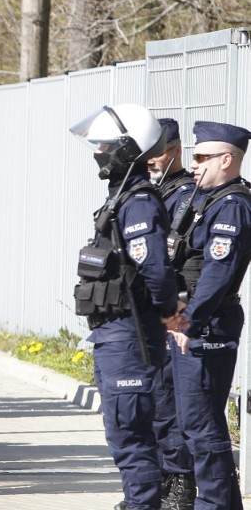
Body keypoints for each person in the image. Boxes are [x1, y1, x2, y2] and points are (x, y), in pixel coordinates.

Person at [70, 103, 181, 510]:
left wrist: (168, 310)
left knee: (131, 432)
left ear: (128, 148)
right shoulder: (120, 198)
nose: (97, 151)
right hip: (112, 332)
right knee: (123, 428)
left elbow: (152, 265)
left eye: (104, 144)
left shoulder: (137, 202)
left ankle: (143, 504)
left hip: (129, 332)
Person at [165, 121, 251, 510]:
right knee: (195, 423)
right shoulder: (206, 198)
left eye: (202, 157)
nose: (194, 164)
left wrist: (190, 321)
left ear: (227, 160)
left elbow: (217, 275)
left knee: (202, 427)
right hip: (194, 322)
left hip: (207, 324)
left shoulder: (232, 206)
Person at [145, 117, 196, 508]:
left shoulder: (187, 196)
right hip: (143, 314)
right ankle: (159, 479)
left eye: (158, 152)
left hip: (171, 313)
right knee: (148, 404)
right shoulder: (144, 191)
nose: (150, 160)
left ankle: (178, 483)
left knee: (168, 404)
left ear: (176, 150)